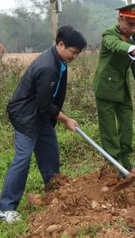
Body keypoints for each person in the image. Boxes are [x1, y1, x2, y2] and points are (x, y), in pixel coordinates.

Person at [0, 25, 87, 224]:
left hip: (41, 113)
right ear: (61, 44)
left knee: (49, 151)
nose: (74, 57)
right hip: (25, 115)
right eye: (73, 52)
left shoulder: (59, 60)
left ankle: (55, 193)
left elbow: (46, 103)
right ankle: (5, 208)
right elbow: (43, 103)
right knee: (23, 156)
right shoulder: (48, 66)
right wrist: (66, 120)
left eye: (77, 54)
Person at [93, 4, 135, 175]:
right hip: (106, 87)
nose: (133, 29)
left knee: (126, 126)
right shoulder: (109, 35)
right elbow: (116, 46)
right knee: (109, 129)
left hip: (123, 88)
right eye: (130, 25)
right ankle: (115, 163)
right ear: (119, 19)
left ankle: (126, 159)